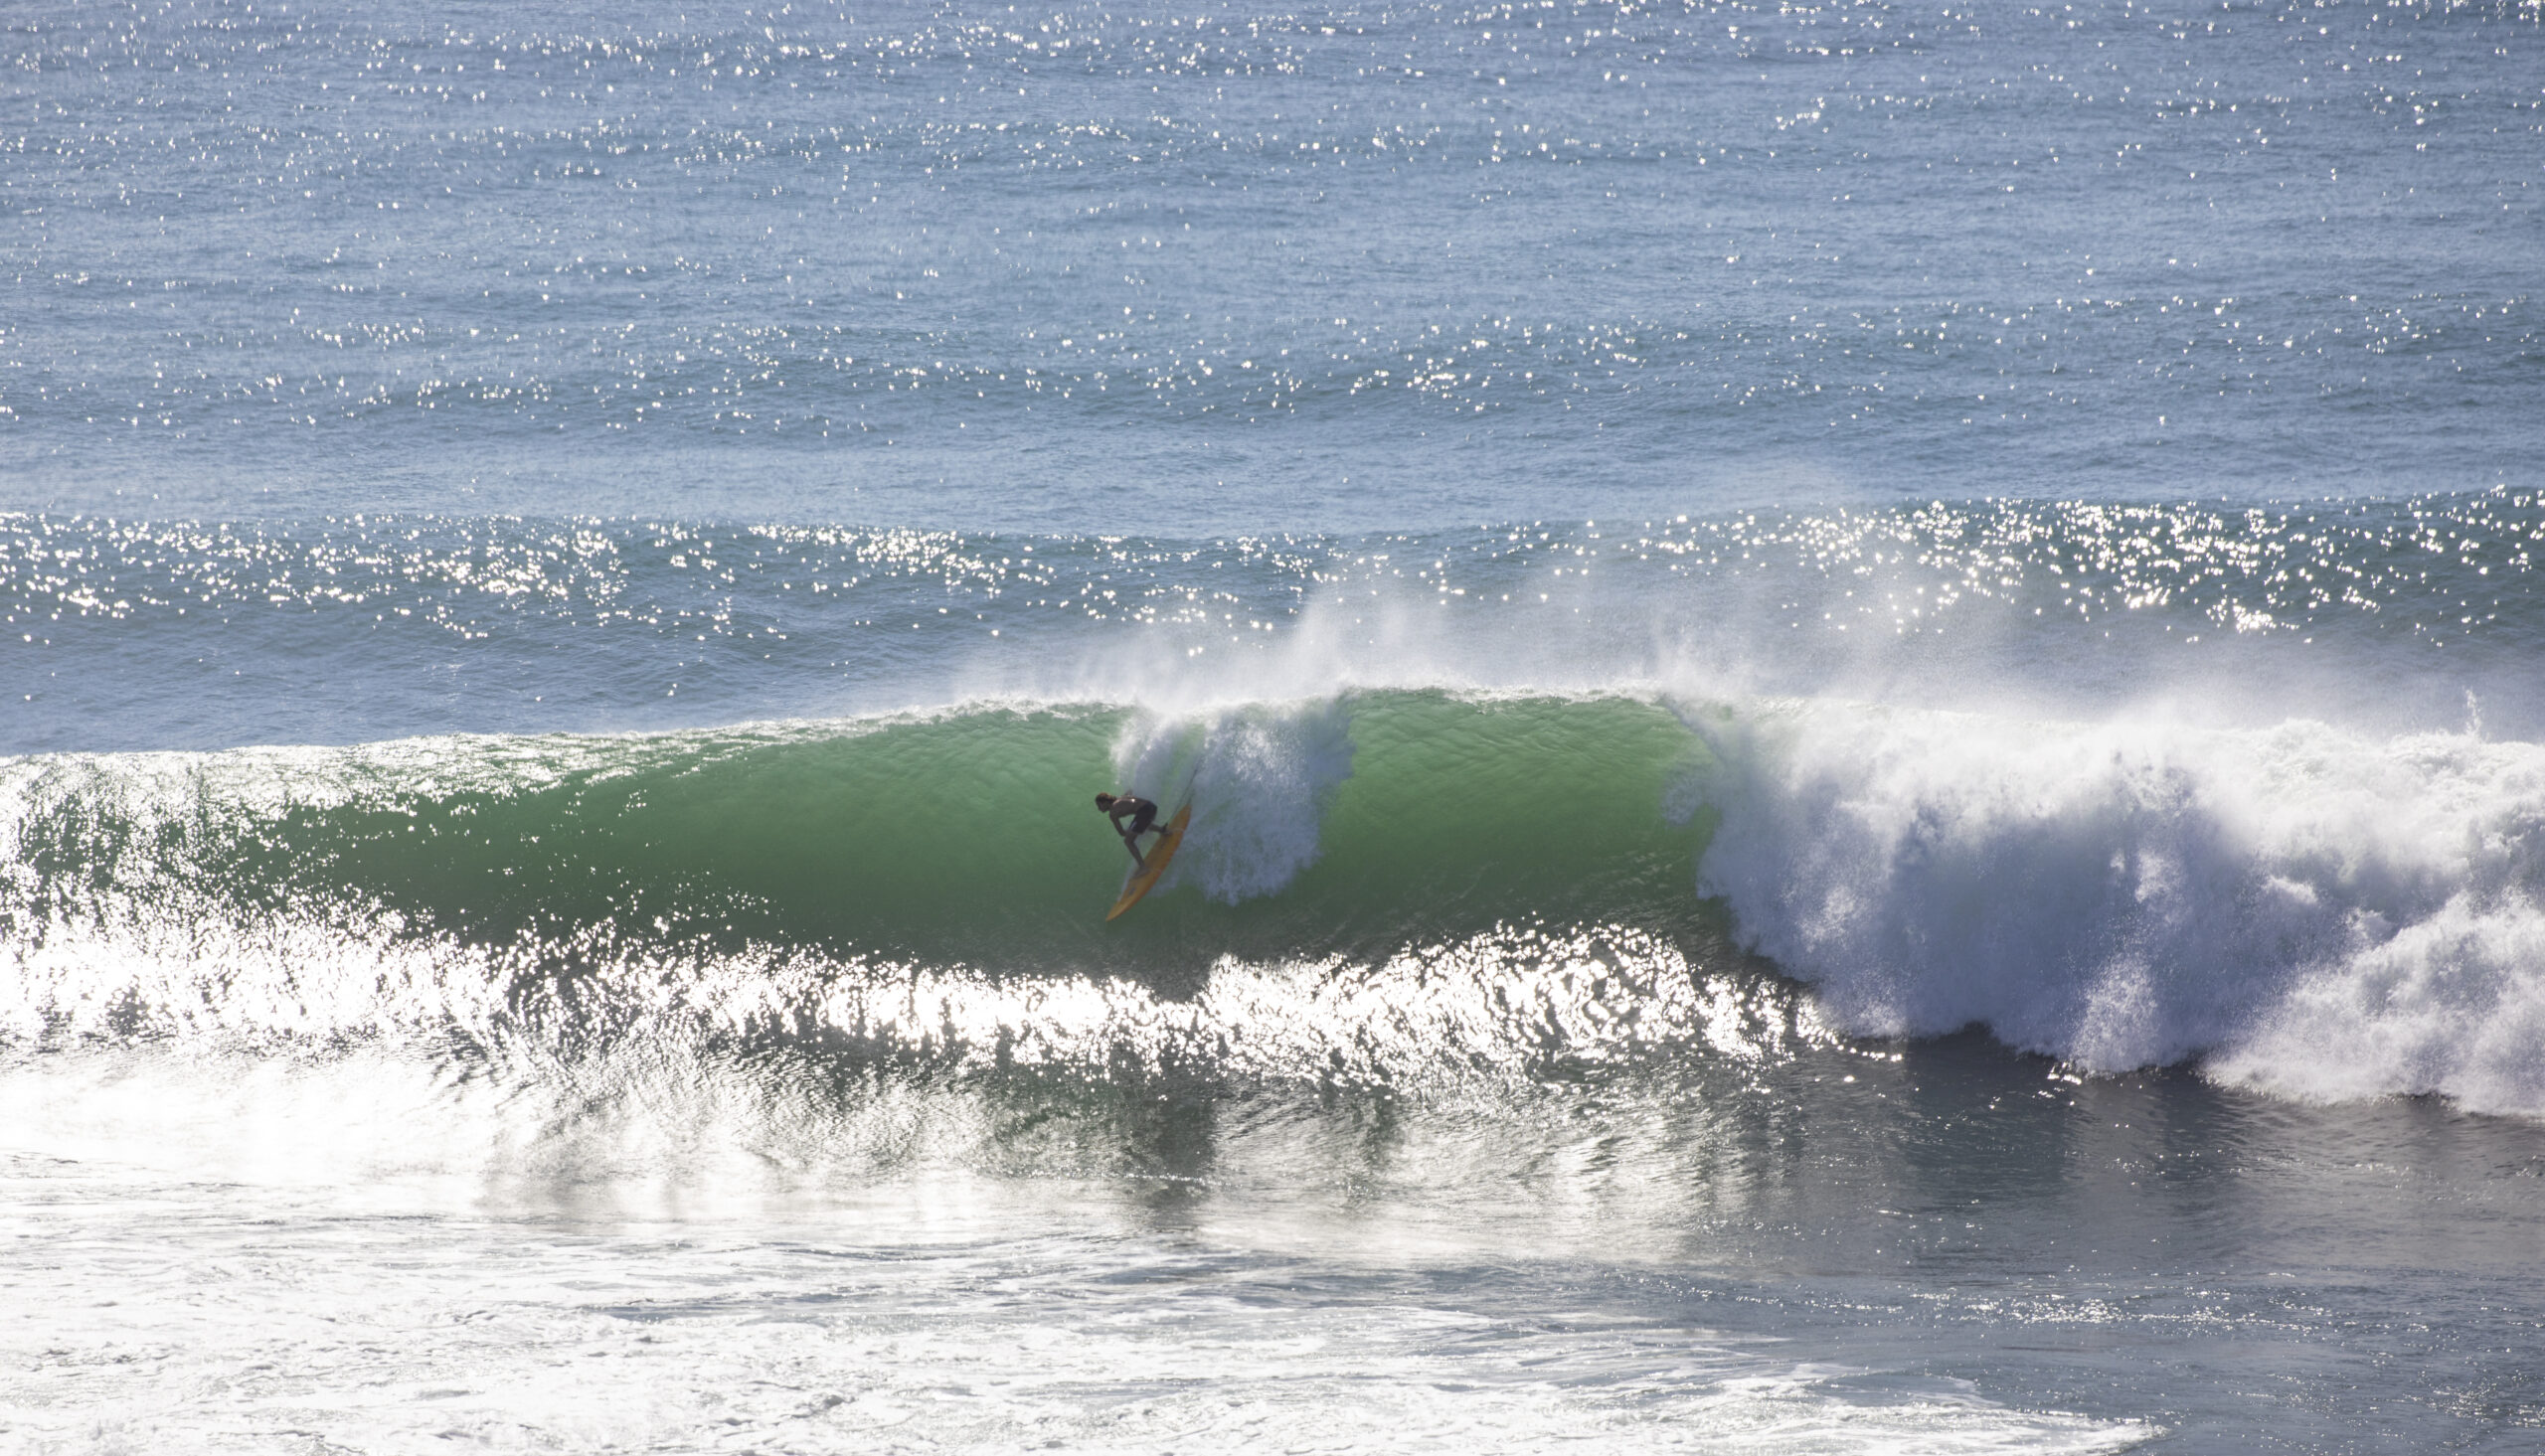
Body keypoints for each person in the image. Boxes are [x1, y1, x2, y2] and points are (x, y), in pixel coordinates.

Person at [1095, 791, 1167, 867]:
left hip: (1144, 812)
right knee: (1141, 825)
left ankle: (1143, 867)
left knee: (1128, 841)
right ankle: (1162, 830)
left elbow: (1121, 832)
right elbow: (1130, 792)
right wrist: (1132, 831)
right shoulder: (1121, 798)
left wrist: (1130, 833)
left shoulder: (1112, 813)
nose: (1099, 809)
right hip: (1151, 806)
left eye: (1099, 805)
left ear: (1105, 802)